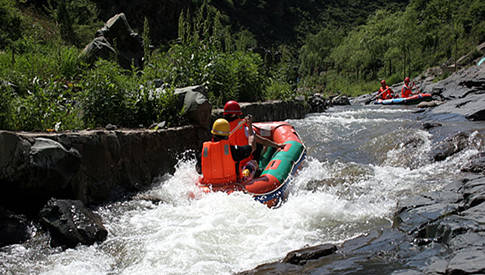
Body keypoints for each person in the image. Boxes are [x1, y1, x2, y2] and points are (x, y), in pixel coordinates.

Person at [200, 118, 255, 184]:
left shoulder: (204, 150)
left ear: (213, 134)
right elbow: (252, 147)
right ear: (227, 135)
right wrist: (251, 133)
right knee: (253, 163)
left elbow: (199, 170)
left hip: (210, 185)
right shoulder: (233, 149)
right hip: (231, 184)